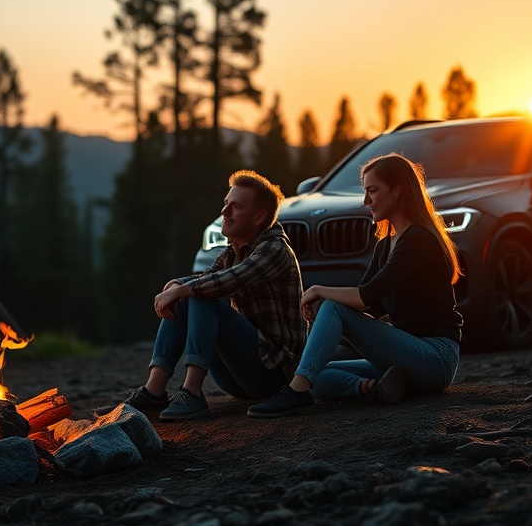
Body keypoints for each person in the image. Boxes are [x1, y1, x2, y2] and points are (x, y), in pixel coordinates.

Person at [247, 153, 462, 418]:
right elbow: (371, 305)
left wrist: (316, 291)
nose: (366, 201)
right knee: (312, 374)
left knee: (332, 309)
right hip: (405, 357)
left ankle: (295, 395)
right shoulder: (386, 245)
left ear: (397, 191)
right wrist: (327, 323)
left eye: (373, 191)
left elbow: (365, 296)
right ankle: (373, 388)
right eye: (365, 192)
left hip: (435, 357)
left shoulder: (418, 239)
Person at [122, 170, 307, 421]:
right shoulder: (234, 251)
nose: (225, 212)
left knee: (201, 294)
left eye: (236, 207)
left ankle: (192, 393)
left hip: (275, 375)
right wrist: (178, 284)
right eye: (225, 204)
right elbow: (206, 277)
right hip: (239, 375)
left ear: (259, 216)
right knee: (193, 292)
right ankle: (153, 392)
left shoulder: (274, 248)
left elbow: (231, 279)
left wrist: (184, 288)